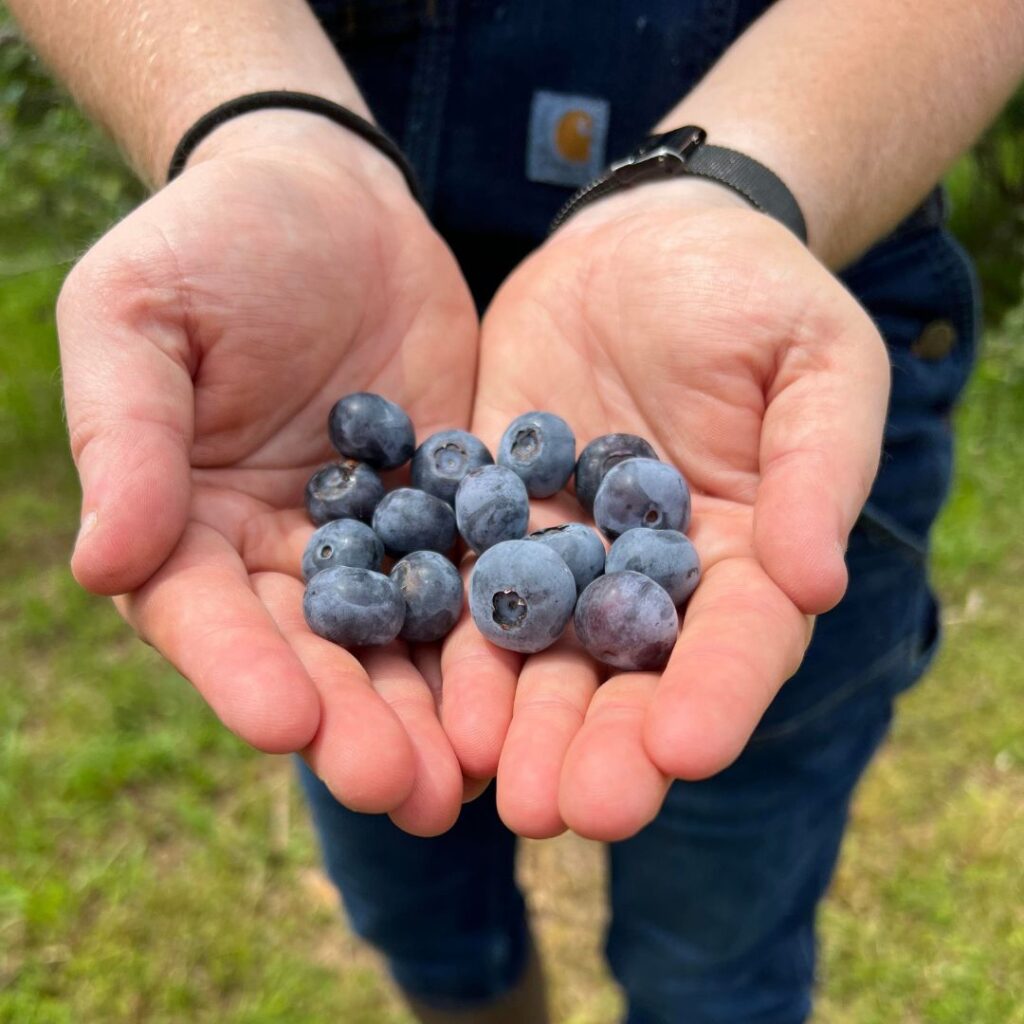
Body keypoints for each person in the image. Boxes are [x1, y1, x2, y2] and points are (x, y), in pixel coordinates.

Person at [9, 1, 1023, 1021]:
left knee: (715, 955)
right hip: (343, 289)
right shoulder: (408, 518)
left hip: (739, 339)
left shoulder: (596, 519)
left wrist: (735, 187)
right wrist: (257, 123)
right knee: (427, 918)